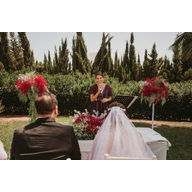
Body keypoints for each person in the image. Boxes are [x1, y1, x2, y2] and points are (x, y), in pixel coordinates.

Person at [10, 92, 81, 160]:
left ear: (36, 110)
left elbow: (13, 158)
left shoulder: (19, 133)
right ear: (55, 110)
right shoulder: (67, 132)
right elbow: (77, 158)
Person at [88, 102, 155, 160]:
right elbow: (143, 151)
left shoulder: (99, 136)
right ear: (124, 116)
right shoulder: (136, 134)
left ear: (108, 117)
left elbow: (92, 156)